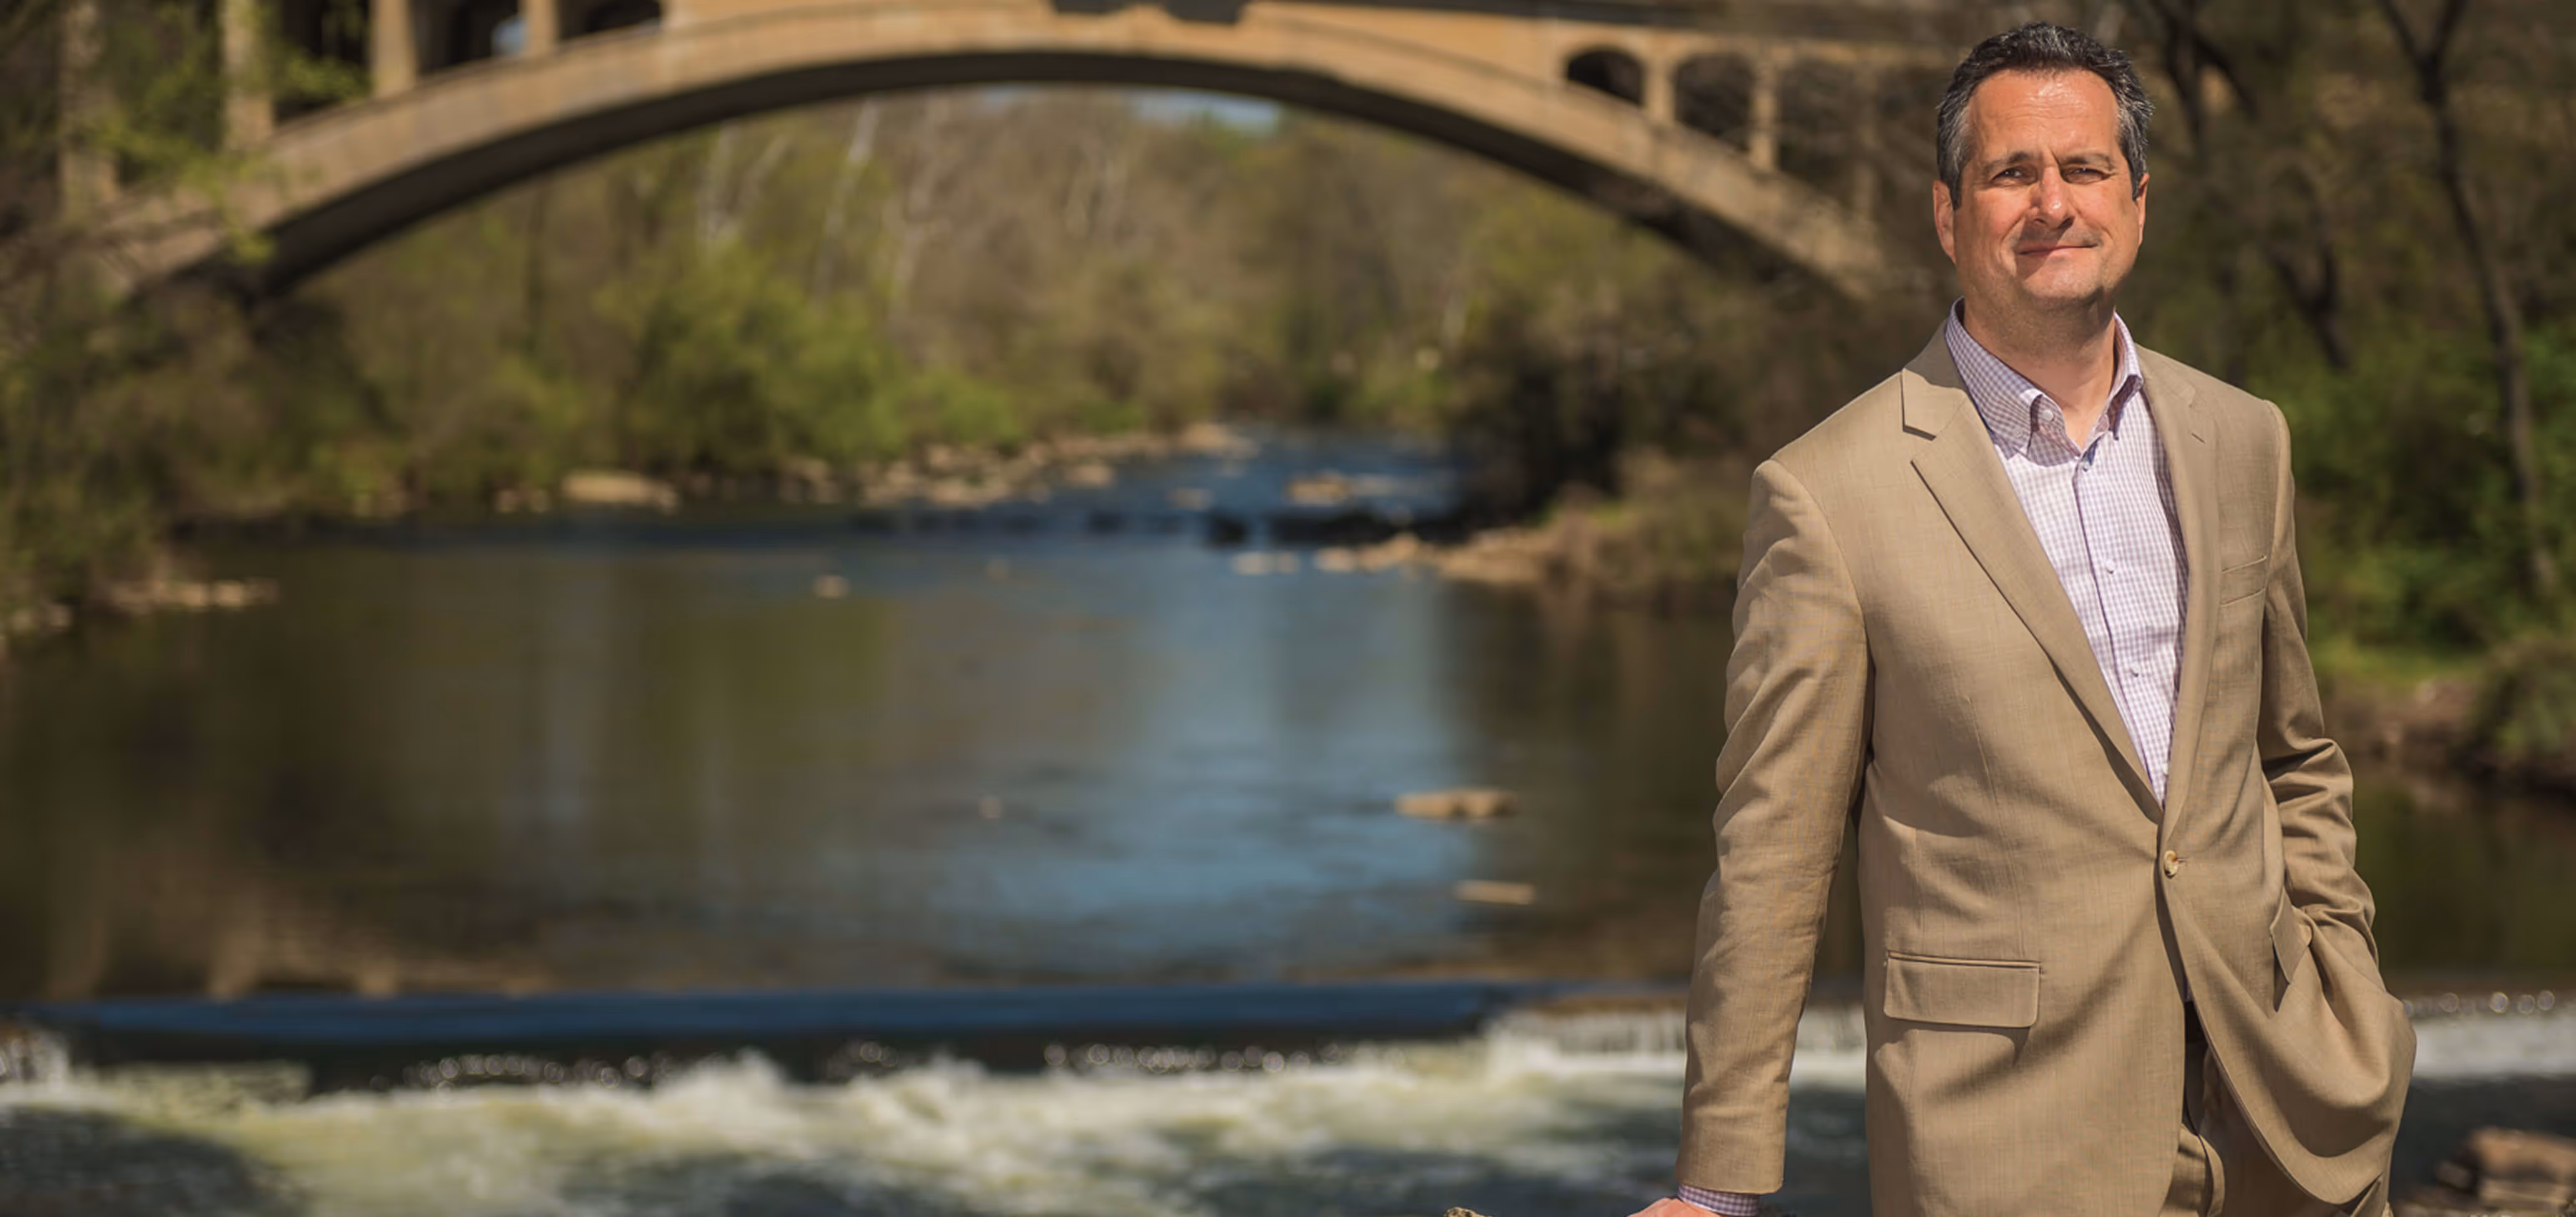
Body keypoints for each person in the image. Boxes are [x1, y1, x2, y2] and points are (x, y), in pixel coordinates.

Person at [1625, 22, 2414, 1217]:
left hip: (2288, 1121)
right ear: (1948, 214)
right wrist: (1720, 1182)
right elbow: (1773, 858)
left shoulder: (2243, 439)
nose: (2054, 202)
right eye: (2012, 173)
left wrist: (2345, 978)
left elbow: (2294, 754)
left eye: (2085, 170)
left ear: (2137, 204)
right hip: (2007, 1146)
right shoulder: (1828, 494)